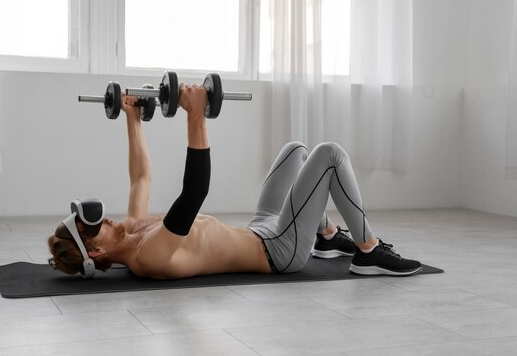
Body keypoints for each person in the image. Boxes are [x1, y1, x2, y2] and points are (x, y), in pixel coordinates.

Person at [48, 84, 422, 279]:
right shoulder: (149, 257)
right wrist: (196, 116)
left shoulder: (131, 230)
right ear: (95, 252)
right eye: (97, 227)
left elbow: (140, 178)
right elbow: (194, 193)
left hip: (262, 227)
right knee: (330, 154)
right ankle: (369, 250)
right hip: (279, 251)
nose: (108, 220)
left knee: (297, 150)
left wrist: (132, 118)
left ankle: (325, 238)